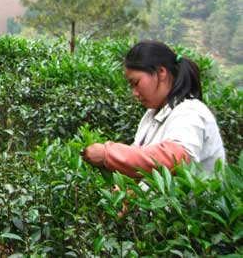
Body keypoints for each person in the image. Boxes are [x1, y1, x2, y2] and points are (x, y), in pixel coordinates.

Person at [82, 40, 225, 178]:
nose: (135, 92)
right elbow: (142, 166)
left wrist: (109, 154)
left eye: (136, 82)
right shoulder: (151, 115)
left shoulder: (190, 112)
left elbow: (176, 159)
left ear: (161, 72)